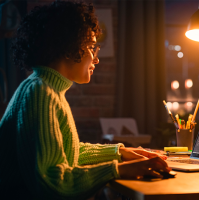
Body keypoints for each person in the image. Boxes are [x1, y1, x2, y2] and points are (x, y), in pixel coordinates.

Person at [0, 1, 170, 200]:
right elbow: (52, 183)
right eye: (91, 46)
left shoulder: (45, 88)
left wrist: (121, 153)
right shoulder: (40, 92)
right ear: (67, 46)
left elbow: (70, 154)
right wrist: (119, 170)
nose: (96, 58)